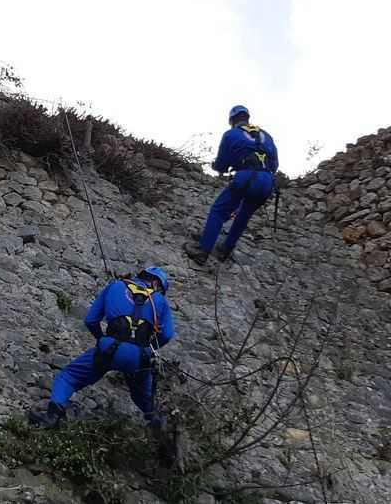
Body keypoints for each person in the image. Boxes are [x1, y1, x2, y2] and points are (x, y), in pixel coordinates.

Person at [28, 267, 175, 429]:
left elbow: (90, 320)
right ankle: (159, 430)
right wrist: (149, 348)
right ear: (155, 283)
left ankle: (51, 417)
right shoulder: (160, 301)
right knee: (144, 398)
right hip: (140, 357)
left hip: (109, 348)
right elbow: (167, 334)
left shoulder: (116, 287)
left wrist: (102, 340)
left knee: (69, 377)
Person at [185, 105, 279, 264]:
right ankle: (225, 250)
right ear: (247, 117)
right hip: (266, 181)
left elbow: (222, 165)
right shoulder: (267, 136)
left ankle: (203, 251)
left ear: (232, 120)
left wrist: (218, 167)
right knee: (244, 215)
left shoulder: (231, 134)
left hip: (246, 177)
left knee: (218, 211)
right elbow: (274, 165)